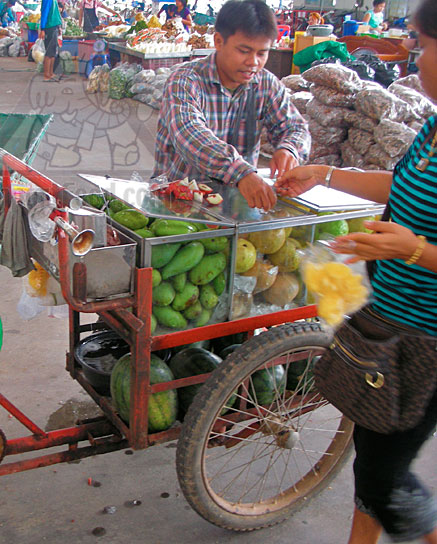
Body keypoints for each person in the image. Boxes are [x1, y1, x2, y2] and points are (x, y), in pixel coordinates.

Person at [275, 0, 437, 541]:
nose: (413, 55)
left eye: (421, 42)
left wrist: (414, 250)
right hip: (386, 319)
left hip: (428, 341)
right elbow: (400, 184)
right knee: (372, 457)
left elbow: (417, 242)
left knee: (385, 476)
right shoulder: (434, 127)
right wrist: (325, 173)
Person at [153, 0, 309, 210]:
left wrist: (289, 149)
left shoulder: (266, 84)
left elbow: (295, 127)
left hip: (239, 204)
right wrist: (240, 172)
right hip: (178, 203)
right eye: (244, 51)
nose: (253, 62)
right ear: (218, 41)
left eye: (262, 53)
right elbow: (189, 133)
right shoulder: (185, 80)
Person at [39, 0, 62, 82]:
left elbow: (56, 13)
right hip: (49, 27)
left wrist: (59, 26)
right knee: (49, 52)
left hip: (54, 26)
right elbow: (44, 13)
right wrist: (42, 29)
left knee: (53, 52)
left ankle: (51, 73)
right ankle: (46, 75)